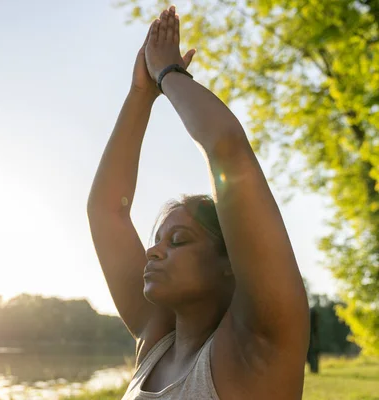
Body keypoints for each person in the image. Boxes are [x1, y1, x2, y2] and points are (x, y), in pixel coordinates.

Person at [87, 5, 310, 399]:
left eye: (178, 240)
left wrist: (169, 75)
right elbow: (107, 211)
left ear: (229, 262)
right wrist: (140, 93)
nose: (152, 252)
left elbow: (226, 150)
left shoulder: (260, 347)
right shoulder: (155, 343)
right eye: (159, 239)